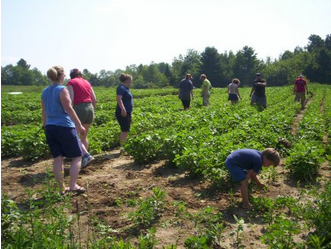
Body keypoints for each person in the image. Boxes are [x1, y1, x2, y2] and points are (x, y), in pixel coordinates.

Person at [42, 66, 86, 194]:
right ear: (61, 76)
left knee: (57, 158)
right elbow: (69, 109)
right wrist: (79, 125)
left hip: (50, 128)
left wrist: (44, 126)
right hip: (64, 127)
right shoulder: (62, 90)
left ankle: (61, 189)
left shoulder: (45, 91)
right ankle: (73, 185)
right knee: (77, 156)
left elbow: (43, 111)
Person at [67, 68, 96, 167]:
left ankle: (82, 156)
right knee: (84, 135)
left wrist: (68, 111)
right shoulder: (87, 82)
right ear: (80, 75)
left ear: (71, 75)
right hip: (90, 107)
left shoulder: (71, 82)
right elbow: (94, 98)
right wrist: (92, 109)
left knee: (73, 135)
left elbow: (71, 99)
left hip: (79, 108)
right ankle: (85, 158)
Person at [115, 73, 133, 154]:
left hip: (127, 112)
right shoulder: (121, 88)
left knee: (126, 129)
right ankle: (122, 148)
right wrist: (123, 109)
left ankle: (123, 146)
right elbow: (119, 99)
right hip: (122, 112)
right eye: (131, 81)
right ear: (127, 80)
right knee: (125, 129)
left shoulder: (126, 89)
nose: (131, 83)